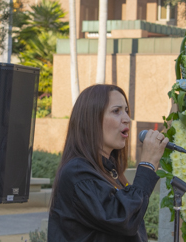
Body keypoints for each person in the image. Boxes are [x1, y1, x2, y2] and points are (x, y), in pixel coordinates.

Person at [48, 84, 169, 242]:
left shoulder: (108, 170)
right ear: (91, 120)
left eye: (126, 110)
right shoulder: (78, 173)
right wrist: (147, 165)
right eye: (116, 111)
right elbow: (123, 219)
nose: (126, 119)